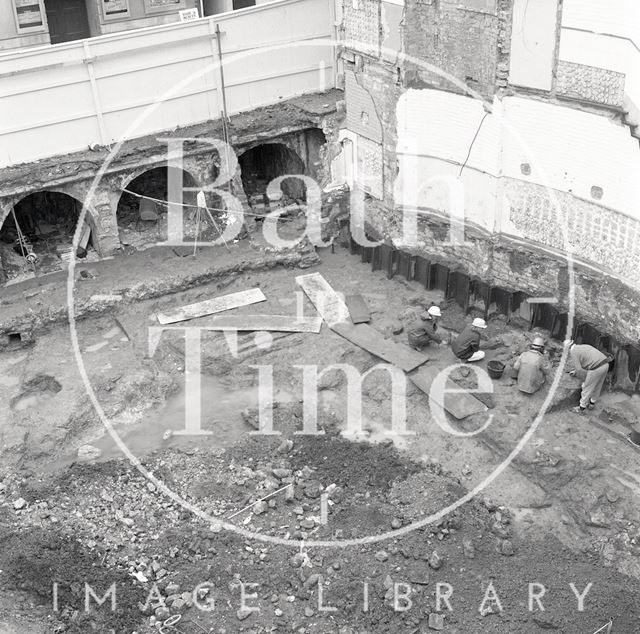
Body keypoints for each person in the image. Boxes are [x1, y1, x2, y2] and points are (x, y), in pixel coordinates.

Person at [565, 340, 612, 413]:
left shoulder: (573, 351)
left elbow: (579, 369)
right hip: (606, 364)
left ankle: (581, 408)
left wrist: (584, 380)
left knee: (587, 387)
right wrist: (575, 371)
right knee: (598, 384)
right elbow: (587, 360)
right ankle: (592, 403)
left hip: (596, 368)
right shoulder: (582, 346)